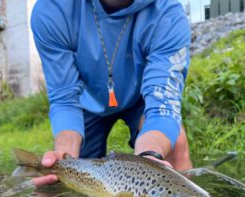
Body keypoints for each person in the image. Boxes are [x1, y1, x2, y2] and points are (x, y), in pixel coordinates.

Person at [31, 0, 192, 186]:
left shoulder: (168, 14)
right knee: (68, 178)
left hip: (141, 100)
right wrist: (63, 155)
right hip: (85, 101)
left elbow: (162, 108)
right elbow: (65, 99)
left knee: (176, 144)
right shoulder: (52, 9)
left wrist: (148, 159)